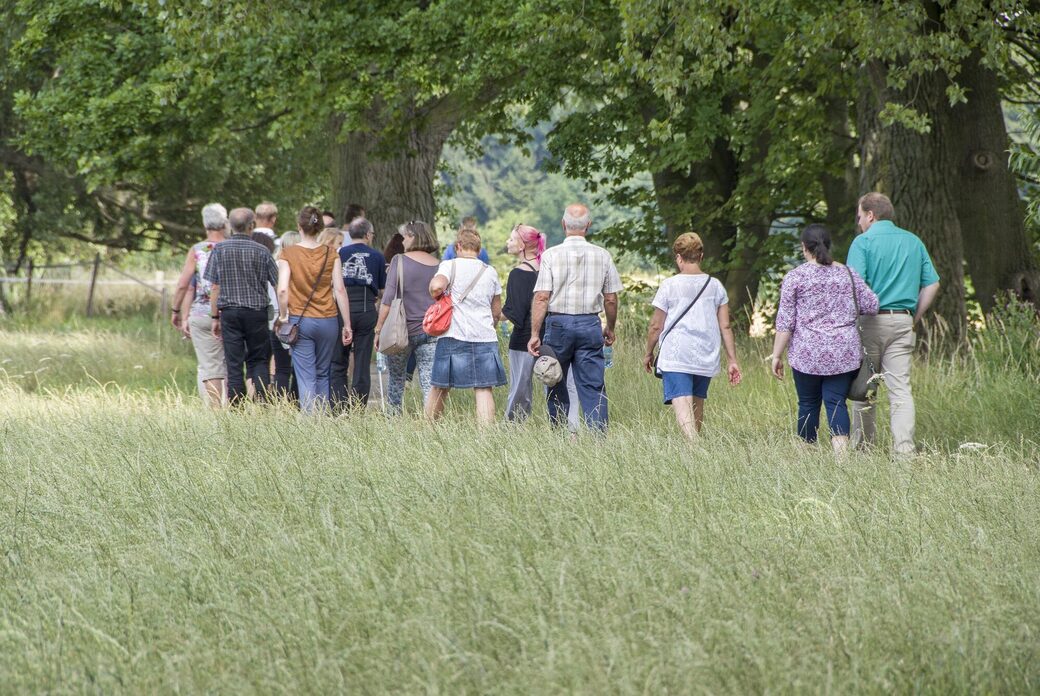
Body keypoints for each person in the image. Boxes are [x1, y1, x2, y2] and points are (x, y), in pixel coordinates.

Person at [769, 224, 878, 451]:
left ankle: (807, 454)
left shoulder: (795, 277)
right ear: (828, 244)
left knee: (808, 403)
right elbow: (871, 304)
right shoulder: (848, 274)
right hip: (842, 352)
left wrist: (776, 355)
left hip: (806, 352)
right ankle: (841, 460)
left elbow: (786, 321)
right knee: (836, 402)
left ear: (804, 248)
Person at [847, 193, 940, 456]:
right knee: (900, 390)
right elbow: (932, 283)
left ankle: (864, 450)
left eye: (859, 217)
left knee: (864, 387)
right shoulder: (913, 241)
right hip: (902, 321)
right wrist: (914, 317)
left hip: (870, 322)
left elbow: (855, 286)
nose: (859, 222)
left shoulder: (862, 242)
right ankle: (904, 452)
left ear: (870, 215)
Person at [528, 203, 623, 432]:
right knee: (593, 386)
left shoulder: (551, 256)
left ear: (563, 225)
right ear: (588, 225)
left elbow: (541, 297)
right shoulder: (603, 255)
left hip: (558, 324)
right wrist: (609, 328)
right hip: (590, 324)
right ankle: (598, 440)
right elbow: (610, 299)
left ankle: (561, 436)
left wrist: (534, 334)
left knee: (555, 380)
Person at [642, 233, 742, 439]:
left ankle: (693, 446)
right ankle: (694, 449)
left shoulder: (669, 285)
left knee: (681, 400)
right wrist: (732, 360)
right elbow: (726, 326)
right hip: (706, 353)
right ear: (701, 255)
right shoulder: (715, 286)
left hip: (677, 353)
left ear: (679, 257)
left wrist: (648, 352)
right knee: (697, 402)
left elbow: (655, 325)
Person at [500, 223, 581, 426]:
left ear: (521, 246)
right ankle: (564, 426)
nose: (507, 242)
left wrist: (495, 314)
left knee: (520, 388)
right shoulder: (547, 270)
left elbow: (516, 313)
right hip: (551, 337)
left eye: (511, 239)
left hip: (523, 340)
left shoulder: (518, 274)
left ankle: (514, 427)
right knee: (555, 383)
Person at [275, 205, 353, 413]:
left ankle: (310, 424)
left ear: (299, 226)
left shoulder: (288, 254)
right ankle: (322, 421)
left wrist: (283, 316)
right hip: (329, 320)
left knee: (305, 375)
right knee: (323, 373)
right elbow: (340, 289)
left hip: (301, 320)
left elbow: (282, 290)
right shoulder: (331, 254)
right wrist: (347, 324)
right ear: (319, 228)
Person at [425, 227, 506, 424]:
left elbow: (436, 286)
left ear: (458, 246)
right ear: (479, 249)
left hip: (453, 333)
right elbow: (496, 311)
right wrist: (491, 325)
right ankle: (486, 438)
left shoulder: (449, 265)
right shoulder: (490, 272)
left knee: (440, 386)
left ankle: (427, 429)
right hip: (484, 336)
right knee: (483, 388)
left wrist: (436, 294)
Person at [204, 207, 279, 405]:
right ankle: (262, 402)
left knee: (234, 364)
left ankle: (237, 406)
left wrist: (214, 317)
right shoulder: (262, 250)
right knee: (259, 359)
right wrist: (282, 313)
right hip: (257, 312)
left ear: (230, 225)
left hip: (230, 313)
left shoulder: (219, 250)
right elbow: (277, 283)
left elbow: (214, 287)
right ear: (251, 226)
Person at [374, 221, 441, 414]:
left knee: (396, 379)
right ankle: (431, 423)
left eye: (404, 236)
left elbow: (388, 299)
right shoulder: (439, 264)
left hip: (401, 330)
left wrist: (378, 329)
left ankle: (393, 420)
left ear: (412, 236)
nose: (402, 240)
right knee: (429, 382)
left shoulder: (399, 261)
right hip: (431, 330)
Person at [173, 203, 227, 408]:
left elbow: (184, 285)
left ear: (205, 224)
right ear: (225, 222)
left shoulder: (197, 250)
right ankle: (232, 407)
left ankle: (214, 411)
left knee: (209, 365)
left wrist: (178, 312)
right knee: (229, 364)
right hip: (229, 312)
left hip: (202, 313)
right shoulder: (231, 246)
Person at [332, 217, 386, 409]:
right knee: (362, 361)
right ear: (367, 235)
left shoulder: (338, 253)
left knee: (338, 360)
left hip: (341, 308)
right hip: (366, 308)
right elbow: (381, 289)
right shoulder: (378, 256)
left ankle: (338, 404)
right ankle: (358, 406)